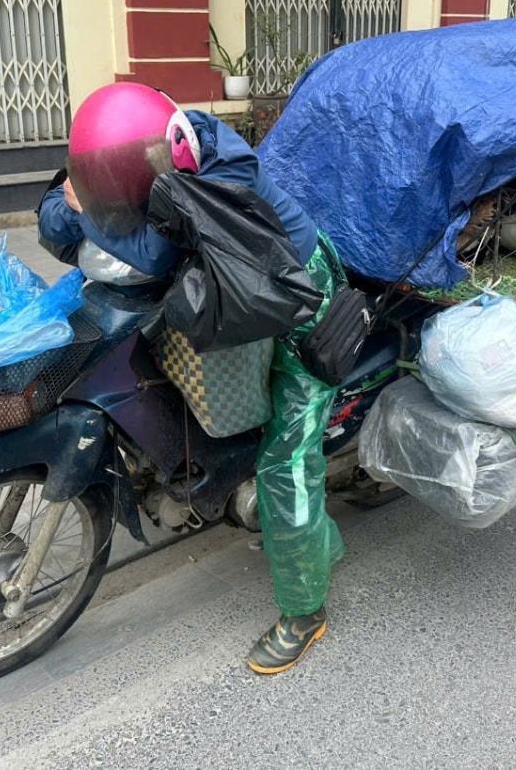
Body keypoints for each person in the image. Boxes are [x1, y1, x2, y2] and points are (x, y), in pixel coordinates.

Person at [38, 81, 345, 675]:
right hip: (232, 298)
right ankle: (309, 536)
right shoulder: (131, 150)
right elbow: (56, 218)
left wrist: (82, 210)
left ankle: (305, 611)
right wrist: (69, 200)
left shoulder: (218, 169)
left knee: (285, 458)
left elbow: (152, 252)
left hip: (292, 295)